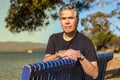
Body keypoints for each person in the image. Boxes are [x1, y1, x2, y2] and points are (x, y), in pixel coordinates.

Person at [43, 4, 98, 79]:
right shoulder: (54, 38)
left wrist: (80, 56)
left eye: (70, 18)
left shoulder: (86, 42)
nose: (67, 22)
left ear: (77, 20)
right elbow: (45, 61)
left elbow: (95, 74)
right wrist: (60, 54)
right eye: (63, 18)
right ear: (60, 21)